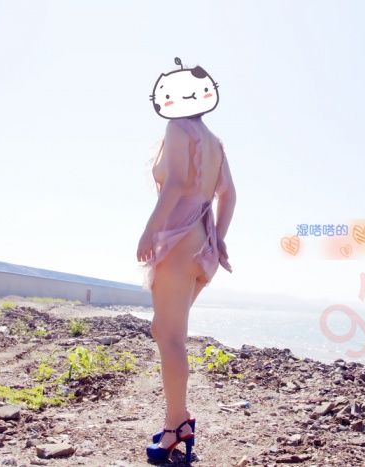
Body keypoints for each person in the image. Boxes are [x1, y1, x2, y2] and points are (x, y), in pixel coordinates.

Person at [136, 59, 236, 464]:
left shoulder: (178, 128)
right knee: (164, 330)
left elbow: (177, 182)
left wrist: (149, 230)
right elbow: (230, 195)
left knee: (171, 337)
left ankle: (176, 426)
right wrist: (218, 239)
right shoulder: (215, 143)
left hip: (178, 245)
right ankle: (176, 420)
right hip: (201, 248)